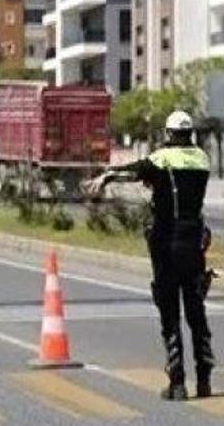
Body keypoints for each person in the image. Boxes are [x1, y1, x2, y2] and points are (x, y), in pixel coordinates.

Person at [84, 111, 215, 401]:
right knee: (196, 310)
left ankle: (178, 382)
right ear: (190, 134)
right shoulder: (203, 159)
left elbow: (133, 170)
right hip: (194, 241)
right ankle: (205, 379)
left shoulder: (161, 159)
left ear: (169, 135)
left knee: (169, 310)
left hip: (166, 242)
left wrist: (106, 176)